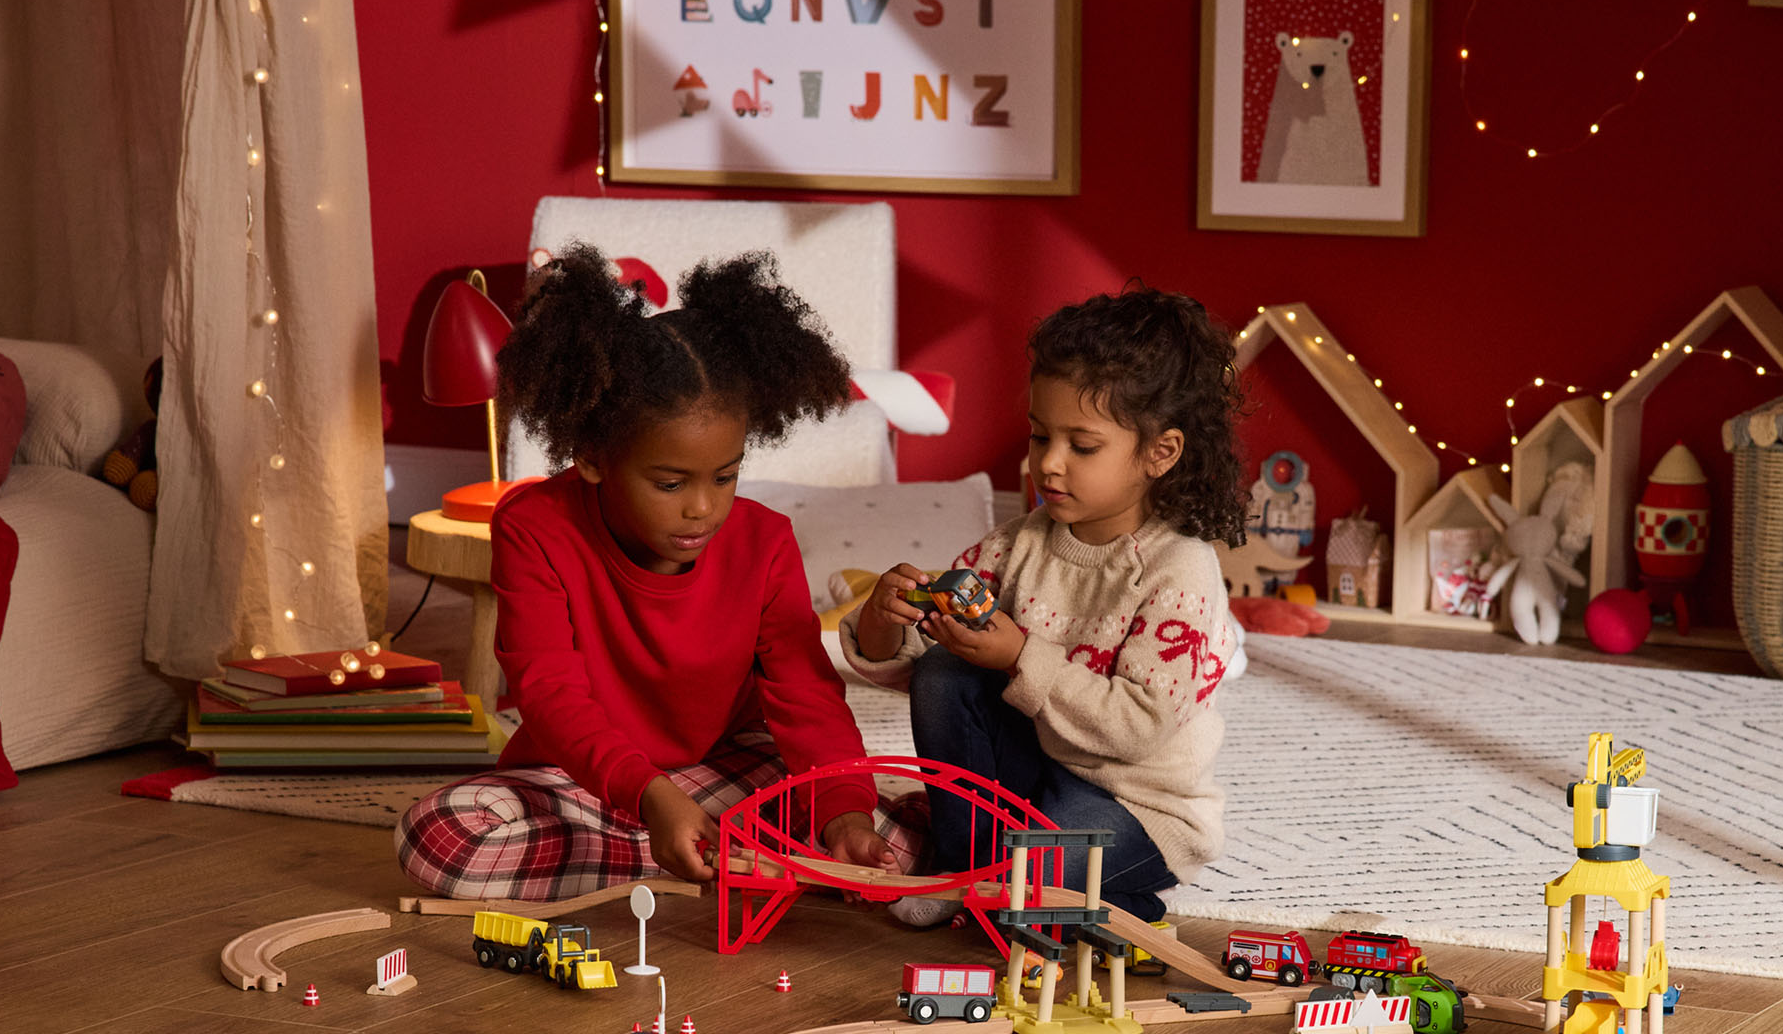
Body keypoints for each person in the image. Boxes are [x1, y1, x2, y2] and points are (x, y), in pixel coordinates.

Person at [396, 245, 904, 899]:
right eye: (670, 483)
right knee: (439, 837)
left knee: (866, 820)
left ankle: (717, 854)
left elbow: (807, 697)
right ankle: (740, 860)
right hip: (589, 778)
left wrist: (846, 815)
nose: (703, 509)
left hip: (729, 766)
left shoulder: (765, 540)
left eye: (725, 477)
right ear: (592, 457)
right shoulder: (533, 527)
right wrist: (651, 797)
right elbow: (552, 696)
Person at [841, 285, 1248, 923]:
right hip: (1038, 773)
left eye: (1082, 447)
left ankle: (1094, 895)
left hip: (1138, 805)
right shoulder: (1021, 542)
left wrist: (1020, 656)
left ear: (1159, 453)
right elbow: (920, 654)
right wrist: (883, 620)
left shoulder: (1180, 571)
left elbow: (1138, 728)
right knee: (946, 672)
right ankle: (962, 866)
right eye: (1039, 437)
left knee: (1025, 885)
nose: (1049, 464)